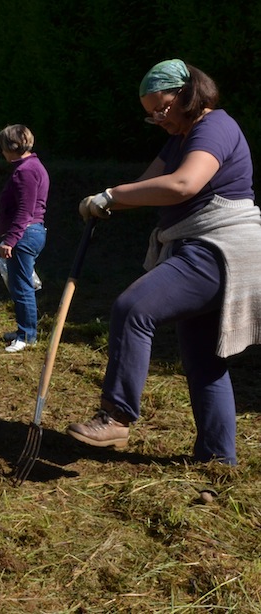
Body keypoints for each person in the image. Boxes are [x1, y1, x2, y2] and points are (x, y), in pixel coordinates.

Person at [67, 60, 261, 465]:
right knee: (204, 362)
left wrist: (114, 194)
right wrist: (108, 199)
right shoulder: (181, 137)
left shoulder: (215, 126)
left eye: (163, 108)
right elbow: (146, 184)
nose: (158, 119)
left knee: (134, 308)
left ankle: (117, 416)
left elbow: (183, 184)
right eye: (151, 113)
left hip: (219, 247)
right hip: (201, 246)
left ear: (187, 94)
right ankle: (218, 460)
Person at [0, 124, 49, 353]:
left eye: (3, 147)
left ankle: (27, 336)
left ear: (11, 147)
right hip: (30, 232)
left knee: (22, 287)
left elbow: (25, 211)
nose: (1, 152)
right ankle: (24, 330)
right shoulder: (32, 166)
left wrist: (11, 239)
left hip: (26, 234)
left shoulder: (25, 171)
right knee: (21, 284)